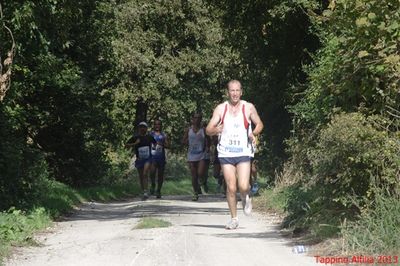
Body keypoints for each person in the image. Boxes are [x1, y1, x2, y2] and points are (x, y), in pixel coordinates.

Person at [206, 80, 264, 229]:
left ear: (241, 92)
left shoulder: (248, 107)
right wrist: (216, 130)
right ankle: (234, 218)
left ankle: (246, 197)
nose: (235, 93)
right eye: (232, 90)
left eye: (237, 90)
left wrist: (254, 133)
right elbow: (208, 129)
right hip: (226, 152)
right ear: (228, 92)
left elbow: (259, 124)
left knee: (243, 186)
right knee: (231, 187)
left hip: (243, 151)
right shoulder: (221, 109)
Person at [126, 121, 156, 200]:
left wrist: (153, 151)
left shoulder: (149, 137)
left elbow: (155, 144)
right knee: (141, 176)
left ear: (146, 128)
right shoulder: (135, 137)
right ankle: (144, 192)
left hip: (148, 158)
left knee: (145, 173)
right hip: (139, 159)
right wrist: (135, 144)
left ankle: (145, 192)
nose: (142, 128)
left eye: (144, 127)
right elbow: (126, 145)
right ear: (139, 128)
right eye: (141, 127)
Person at [182, 112, 209, 201]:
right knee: (194, 175)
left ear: (201, 119)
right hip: (191, 154)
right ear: (192, 119)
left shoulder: (204, 130)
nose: (197, 120)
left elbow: (208, 139)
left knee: (200, 173)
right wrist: (186, 142)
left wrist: (207, 147)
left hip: (201, 154)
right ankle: (195, 192)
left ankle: (203, 181)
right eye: (195, 118)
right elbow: (183, 140)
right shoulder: (188, 130)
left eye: (199, 118)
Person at [149, 119, 169, 199]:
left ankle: (158, 190)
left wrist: (162, 144)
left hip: (161, 157)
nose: (157, 126)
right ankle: (153, 184)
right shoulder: (150, 134)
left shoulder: (164, 135)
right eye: (156, 124)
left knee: (160, 175)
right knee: (152, 172)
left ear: (161, 125)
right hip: (152, 156)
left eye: (159, 124)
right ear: (153, 125)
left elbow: (168, 145)